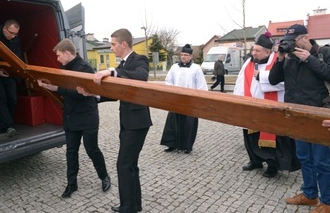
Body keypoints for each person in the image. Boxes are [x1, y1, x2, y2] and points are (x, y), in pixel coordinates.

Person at [77, 28, 152, 213]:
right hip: (128, 122)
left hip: (137, 123)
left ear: (124, 44)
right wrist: (93, 94)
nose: (111, 48)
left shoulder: (139, 60)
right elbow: (116, 94)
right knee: (130, 165)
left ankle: (128, 208)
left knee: (124, 164)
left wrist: (112, 71)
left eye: (113, 44)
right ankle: (135, 205)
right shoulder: (122, 66)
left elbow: (141, 77)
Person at [37, 39, 110, 199]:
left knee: (91, 149)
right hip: (71, 116)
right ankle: (72, 184)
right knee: (71, 152)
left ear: (67, 53)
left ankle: (104, 177)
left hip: (87, 116)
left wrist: (58, 88)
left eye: (58, 56)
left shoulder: (85, 68)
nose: (57, 59)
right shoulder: (64, 67)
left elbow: (81, 91)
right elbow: (64, 87)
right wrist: (49, 86)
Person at [269, 24, 330, 212]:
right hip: (297, 115)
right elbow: (273, 80)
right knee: (304, 157)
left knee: (322, 161)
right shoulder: (289, 58)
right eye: (287, 42)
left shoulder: (323, 53)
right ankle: (310, 195)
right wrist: (279, 59)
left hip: (319, 115)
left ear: (305, 38)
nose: (290, 45)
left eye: (293, 41)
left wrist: (310, 60)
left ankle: (327, 202)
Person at [234, 32, 300, 178]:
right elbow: (241, 81)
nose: (254, 53)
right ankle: (255, 160)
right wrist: (237, 101)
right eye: (253, 50)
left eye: (257, 51)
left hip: (271, 108)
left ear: (268, 52)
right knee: (250, 136)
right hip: (251, 106)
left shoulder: (278, 61)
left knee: (272, 138)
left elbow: (283, 82)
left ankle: (272, 166)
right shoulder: (248, 62)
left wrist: (261, 77)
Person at [160, 44, 208, 154]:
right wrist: (172, 92)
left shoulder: (196, 68)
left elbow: (201, 85)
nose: (183, 57)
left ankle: (186, 146)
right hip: (176, 99)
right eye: (182, 55)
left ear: (191, 56)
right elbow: (168, 81)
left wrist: (199, 99)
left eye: (186, 55)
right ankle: (171, 144)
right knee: (173, 122)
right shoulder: (174, 67)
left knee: (189, 123)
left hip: (190, 100)